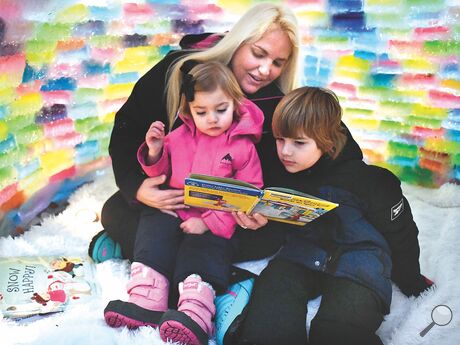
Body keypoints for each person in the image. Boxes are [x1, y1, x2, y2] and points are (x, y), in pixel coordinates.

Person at [88, 2, 301, 266]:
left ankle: (142, 253)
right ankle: (199, 271)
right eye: (258, 54)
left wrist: (258, 212)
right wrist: (137, 186)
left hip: (222, 217)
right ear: (238, 42)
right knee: (115, 210)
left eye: (278, 62)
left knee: (270, 237)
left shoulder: (279, 103)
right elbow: (127, 128)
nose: (265, 70)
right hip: (175, 205)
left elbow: (271, 175)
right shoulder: (179, 71)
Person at [229, 86, 434, 345]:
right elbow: (278, 230)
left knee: (337, 331)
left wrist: (412, 281)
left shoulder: (371, 181)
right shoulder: (281, 173)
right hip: (302, 255)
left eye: (299, 143)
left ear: (326, 140)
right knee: (271, 297)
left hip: (360, 264)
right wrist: (258, 224)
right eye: (280, 140)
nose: (285, 151)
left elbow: (401, 233)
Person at [103, 61, 264, 345]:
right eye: (202, 112)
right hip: (178, 208)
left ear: (236, 105)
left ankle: (195, 311)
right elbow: (161, 173)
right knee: (154, 225)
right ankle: (147, 298)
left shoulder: (242, 147)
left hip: (213, 221)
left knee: (203, 250)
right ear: (189, 111)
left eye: (221, 110)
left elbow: (249, 194)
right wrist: (154, 152)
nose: (212, 118)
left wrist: (208, 222)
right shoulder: (179, 137)